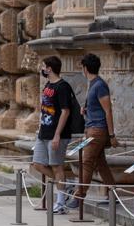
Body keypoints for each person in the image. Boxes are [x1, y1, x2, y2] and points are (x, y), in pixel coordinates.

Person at [72, 53, 118, 202]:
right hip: (91, 127)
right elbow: (97, 107)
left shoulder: (99, 85)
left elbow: (108, 111)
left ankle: (79, 195)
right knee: (100, 162)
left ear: (85, 68)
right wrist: (86, 109)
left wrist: (112, 135)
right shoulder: (92, 84)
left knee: (87, 161)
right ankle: (113, 193)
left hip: (97, 130)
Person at [32, 56, 73, 214]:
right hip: (44, 132)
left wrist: (57, 135)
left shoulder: (62, 87)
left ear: (49, 68)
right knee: (38, 164)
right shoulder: (48, 85)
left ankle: (61, 202)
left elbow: (65, 111)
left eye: (43, 66)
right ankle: (65, 184)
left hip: (57, 134)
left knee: (57, 166)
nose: (42, 69)